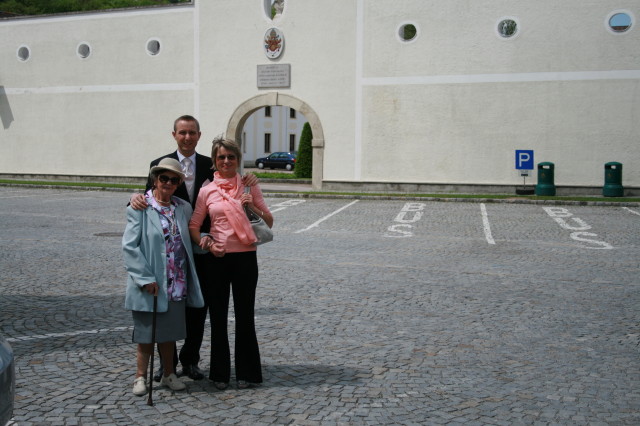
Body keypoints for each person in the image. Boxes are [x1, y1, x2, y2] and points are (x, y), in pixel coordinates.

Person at [130, 115, 257, 382]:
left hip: (203, 249)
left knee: (199, 308)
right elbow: (149, 197)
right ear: (174, 134)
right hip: (170, 250)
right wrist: (134, 198)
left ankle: (190, 360)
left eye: (192, 133)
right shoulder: (159, 164)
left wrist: (250, 183)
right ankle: (167, 365)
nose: (187, 137)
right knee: (167, 306)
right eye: (182, 133)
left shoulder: (207, 164)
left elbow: (230, 181)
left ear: (199, 136)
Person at [189, 138, 273, 390]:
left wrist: (253, 209)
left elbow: (269, 221)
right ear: (215, 161)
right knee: (217, 317)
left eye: (231, 157)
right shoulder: (207, 190)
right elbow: (194, 226)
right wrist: (206, 242)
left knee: (245, 316)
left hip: (246, 258)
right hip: (218, 258)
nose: (226, 161)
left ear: (238, 159)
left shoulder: (248, 187)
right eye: (221, 157)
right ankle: (220, 373)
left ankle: (247, 373)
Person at [122, 158, 205, 396]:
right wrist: (145, 278)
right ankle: (140, 377)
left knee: (168, 335)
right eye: (163, 178)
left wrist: (208, 241)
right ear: (155, 180)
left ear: (179, 183)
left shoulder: (182, 207)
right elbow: (129, 247)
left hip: (175, 283)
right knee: (146, 335)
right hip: (150, 283)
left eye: (173, 179)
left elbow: (189, 239)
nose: (168, 183)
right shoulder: (140, 206)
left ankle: (169, 374)